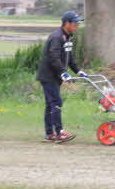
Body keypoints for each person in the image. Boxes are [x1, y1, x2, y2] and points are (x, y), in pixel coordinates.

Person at [36, 10, 87, 143]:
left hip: (55, 75)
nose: (77, 26)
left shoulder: (68, 37)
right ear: (66, 23)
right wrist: (62, 72)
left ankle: (49, 134)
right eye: (75, 23)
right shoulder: (57, 37)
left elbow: (70, 59)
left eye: (78, 23)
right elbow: (54, 57)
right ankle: (59, 133)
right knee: (56, 102)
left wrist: (79, 71)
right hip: (48, 76)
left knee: (50, 104)